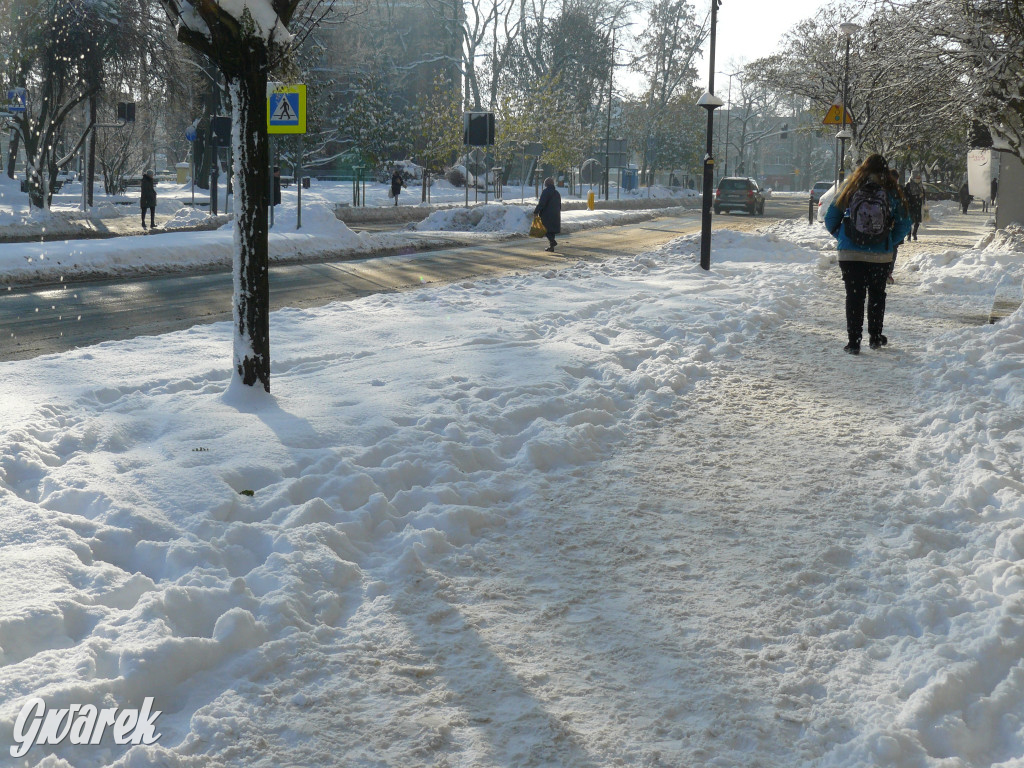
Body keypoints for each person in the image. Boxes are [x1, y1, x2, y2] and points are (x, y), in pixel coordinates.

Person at [824, 154, 912, 355]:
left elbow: (830, 219)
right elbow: (904, 223)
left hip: (850, 254)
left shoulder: (850, 187)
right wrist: (888, 240)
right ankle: (875, 337)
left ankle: (854, 342)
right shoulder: (891, 191)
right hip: (880, 255)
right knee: (877, 295)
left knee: (854, 297)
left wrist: (844, 236)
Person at [533, 176, 561, 252]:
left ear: (546, 184)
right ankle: (551, 247)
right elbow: (559, 204)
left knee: (545, 229)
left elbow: (542, 203)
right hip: (556, 214)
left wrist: (536, 211)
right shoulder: (557, 193)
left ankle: (552, 242)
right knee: (552, 230)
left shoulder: (545, 192)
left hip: (547, 214)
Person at [904, 172, 924, 241]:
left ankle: (914, 233)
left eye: (919, 178)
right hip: (910, 205)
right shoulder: (908, 185)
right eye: (917, 177)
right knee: (909, 221)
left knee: (917, 221)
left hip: (918, 205)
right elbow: (905, 195)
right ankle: (908, 234)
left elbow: (923, 193)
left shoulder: (920, 185)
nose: (918, 179)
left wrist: (922, 196)